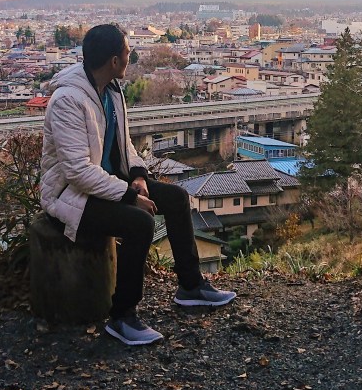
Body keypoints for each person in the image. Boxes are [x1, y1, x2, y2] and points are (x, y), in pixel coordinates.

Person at [39, 24, 235, 346]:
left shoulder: (111, 90)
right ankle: (122, 316)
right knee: (139, 222)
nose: (132, 55)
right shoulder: (68, 101)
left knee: (176, 197)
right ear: (115, 60)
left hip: (108, 183)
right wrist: (130, 196)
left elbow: (124, 144)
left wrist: (139, 175)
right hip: (70, 196)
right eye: (128, 51)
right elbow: (77, 172)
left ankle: (191, 286)